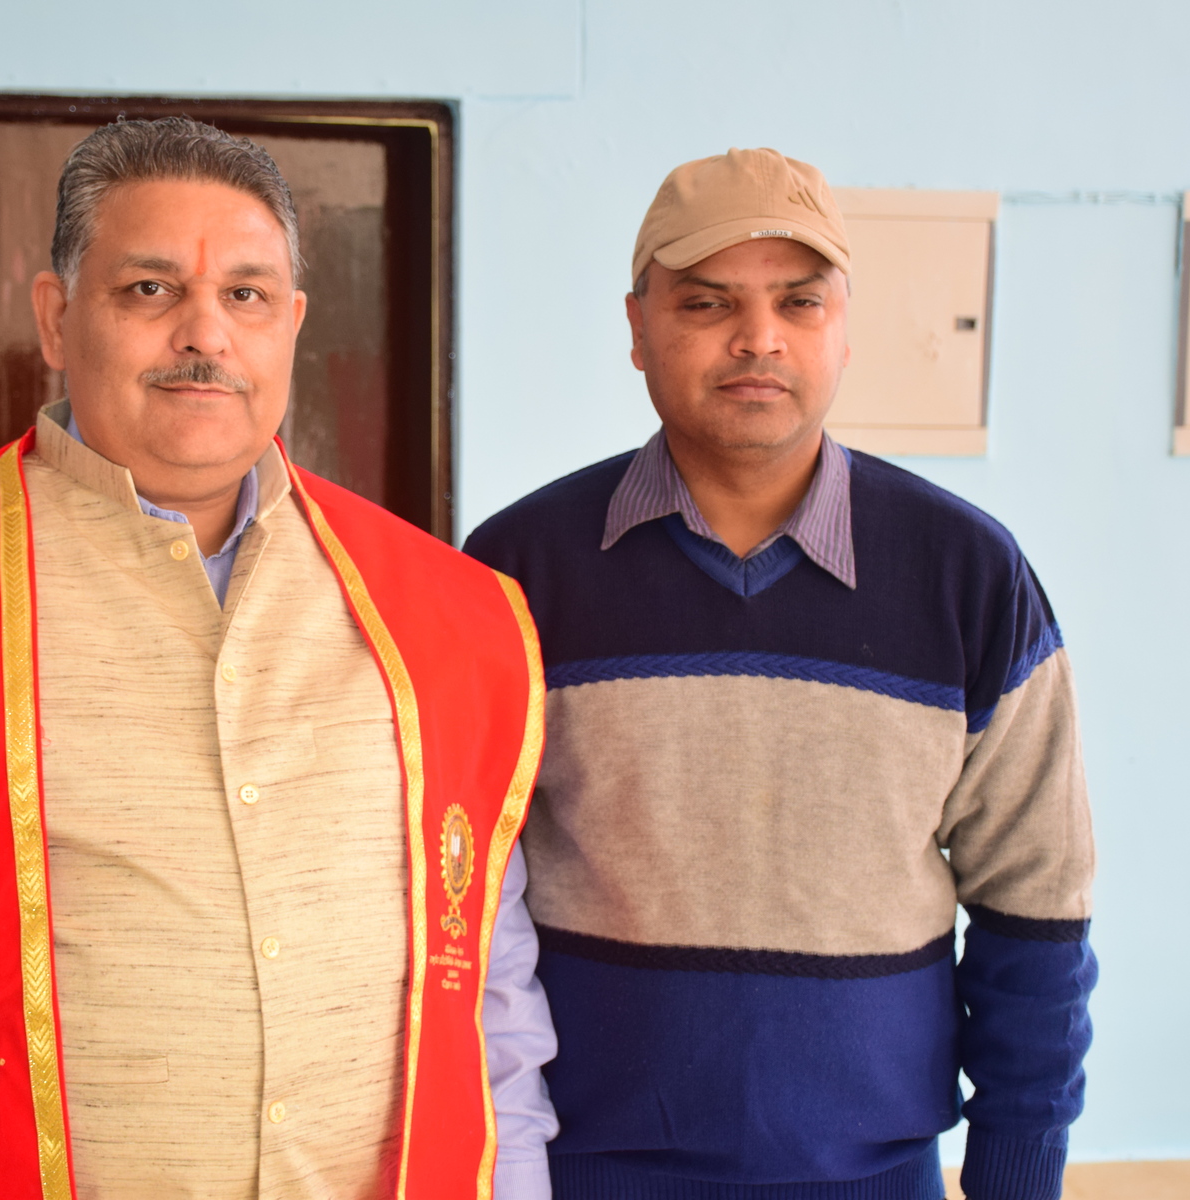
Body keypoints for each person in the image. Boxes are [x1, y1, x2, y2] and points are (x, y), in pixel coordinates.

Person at [0, 117, 558, 1200]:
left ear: (292, 325)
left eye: (246, 295)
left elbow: (492, 1014)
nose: (206, 333)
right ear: (57, 319)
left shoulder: (449, 615)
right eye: (150, 290)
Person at [465, 148, 1096, 1200]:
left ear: (844, 329)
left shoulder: (968, 575)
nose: (758, 338)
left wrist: (1016, 1176)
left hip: (873, 1174)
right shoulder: (516, 571)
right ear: (637, 327)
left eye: (799, 302)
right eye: (706, 301)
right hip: (581, 1168)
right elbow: (465, 904)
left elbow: (1037, 913)